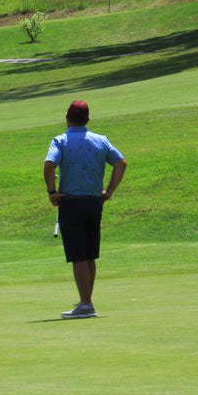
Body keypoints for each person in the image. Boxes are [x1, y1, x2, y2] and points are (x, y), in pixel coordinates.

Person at [44, 99, 127, 319]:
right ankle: (86, 302)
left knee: (79, 255)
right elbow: (121, 163)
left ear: (67, 118)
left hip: (71, 203)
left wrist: (51, 192)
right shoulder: (100, 140)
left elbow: (49, 165)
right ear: (87, 119)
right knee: (89, 255)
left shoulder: (60, 140)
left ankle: (86, 304)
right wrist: (108, 192)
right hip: (94, 203)